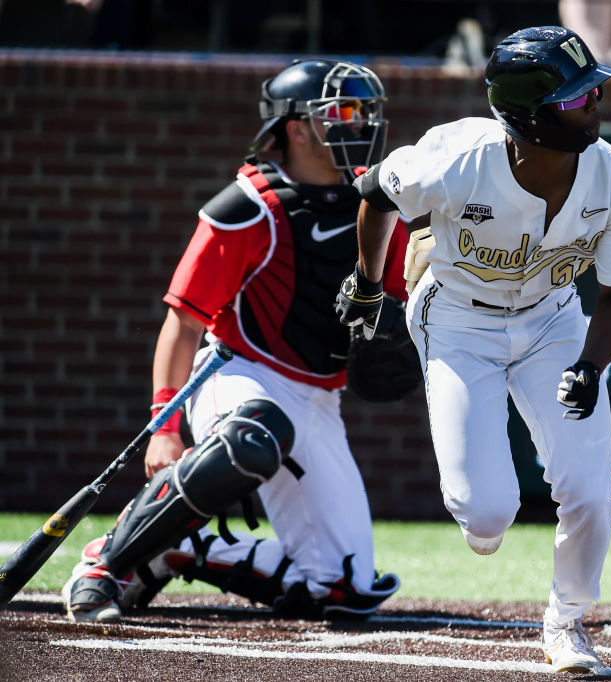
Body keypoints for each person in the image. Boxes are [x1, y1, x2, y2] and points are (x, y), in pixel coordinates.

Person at [336, 26, 611, 673]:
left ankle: (567, 621)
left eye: (593, 91)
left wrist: (591, 366)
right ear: (529, 116)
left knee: (592, 493)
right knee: (486, 514)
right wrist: (369, 286)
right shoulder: (459, 156)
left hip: (554, 320)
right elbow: (375, 197)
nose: (594, 105)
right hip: (456, 319)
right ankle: (485, 522)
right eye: (575, 97)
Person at [62, 59, 409, 621]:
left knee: (340, 586)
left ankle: (178, 548)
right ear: (298, 127)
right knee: (256, 434)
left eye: (366, 112)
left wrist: (401, 330)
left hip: (319, 396)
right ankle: (109, 562)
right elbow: (184, 322)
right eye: (343, 112)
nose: (360, 124)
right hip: (236, 372)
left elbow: (394, 297)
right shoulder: (249, 206)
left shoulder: (377, 201)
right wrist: (164, 427)